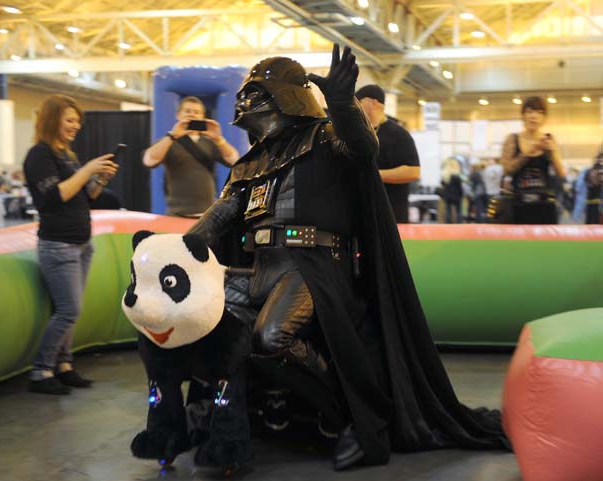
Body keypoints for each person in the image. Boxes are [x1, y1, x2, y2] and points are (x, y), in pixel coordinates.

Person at [187, 44, 507, 471]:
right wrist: (174, 251)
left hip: (312, 265)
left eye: (258, 91)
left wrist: (340, 102)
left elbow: (363, 148)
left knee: (272, 337)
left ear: (284, 96)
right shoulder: (250, 162)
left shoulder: (324, 136)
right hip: (258, 265)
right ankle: (232, 422)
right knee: (208, 322)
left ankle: (353, 417)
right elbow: (222, 214)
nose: (248, 101)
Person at [23, 94, 119, 395]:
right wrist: (88, 170)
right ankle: (42, 370)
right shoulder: (39, 155)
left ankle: (64, 365)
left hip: (80, 243)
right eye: (69, 120)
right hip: (58, 244)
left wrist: (99, 179)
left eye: (78, 121)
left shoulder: (66, 154)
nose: (75, 126)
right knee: (68, 310)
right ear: (53, 120)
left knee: (70, 310)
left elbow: (86, 195)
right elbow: (55, 196)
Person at [142, 96, 240, 217]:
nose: (192, 115)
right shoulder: (168, 142)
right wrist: (172, 136)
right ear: (178, 115)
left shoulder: (211, 142)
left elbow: (234, 160)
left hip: (206, 212)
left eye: (197, 112)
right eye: (187, 111)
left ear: (203, 117)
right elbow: (149, 161)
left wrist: (218, 139)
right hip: (176, 213)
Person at [354, 84, 420, 222]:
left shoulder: (398, 134)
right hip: (361, 213)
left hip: (391, 215)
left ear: (373, 103)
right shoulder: (358, 133)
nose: (355, 106)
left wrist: (373, 174)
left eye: (359, 102)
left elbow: (413, 172)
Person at [500, 96, 566, 224]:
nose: (534, 116)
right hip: (518, 204)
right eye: (529, 112)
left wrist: (552, 154)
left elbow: (561, 173)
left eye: (539, 112)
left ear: (544, 118)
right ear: (523, 116)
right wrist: (528, 153)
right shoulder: (512, 139)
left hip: (544, 204)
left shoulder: (549, 139)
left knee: (546, 243)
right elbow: (507, 170)